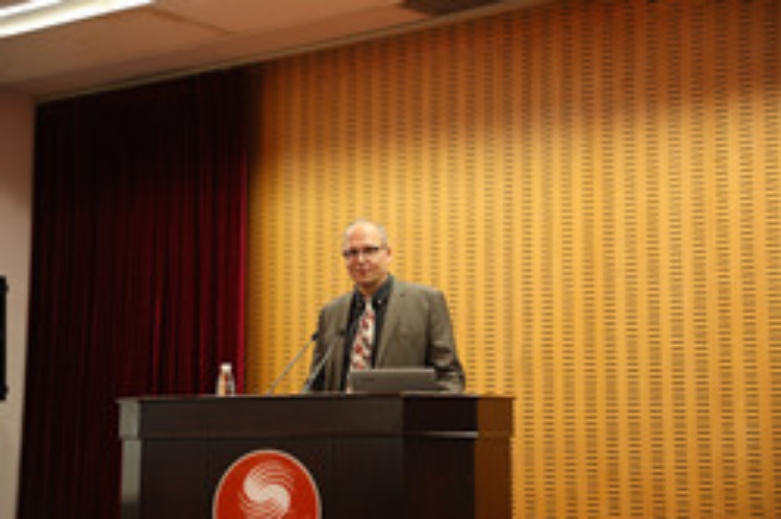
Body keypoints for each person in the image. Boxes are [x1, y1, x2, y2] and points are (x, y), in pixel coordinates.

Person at [306, 219, 465, 392]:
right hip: (342, 409)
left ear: (388, 254)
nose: (360, 260)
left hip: (403, 409)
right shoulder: (331, 313)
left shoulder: (426, 303)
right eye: (351, 253)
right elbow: (316, 383)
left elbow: (449, 377)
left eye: (369, 250)